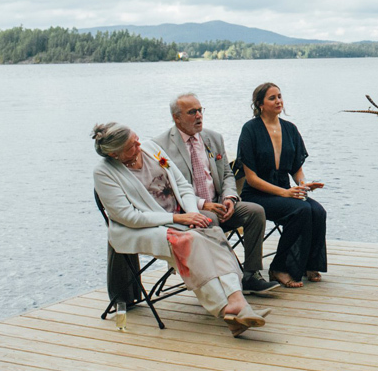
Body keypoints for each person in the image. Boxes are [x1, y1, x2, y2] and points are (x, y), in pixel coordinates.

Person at [92, 122, 267, 337]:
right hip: (141, 227)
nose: (139, 145)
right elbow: (129, 216)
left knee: (212, 232)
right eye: (131, 146)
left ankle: (236, 302)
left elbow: (182, 185)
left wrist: (193, 214)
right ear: (114, 154)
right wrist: (177, 218)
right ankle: (226, 307)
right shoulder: (105, 173)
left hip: (181, 216)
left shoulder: (153, 151)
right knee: (190, 242)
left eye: (136, 138)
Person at [153, 92, 276, 296]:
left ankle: (251, 274)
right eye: (192, 112)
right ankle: (227, 280)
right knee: (209, 220)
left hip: (220, 204)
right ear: (177, 117)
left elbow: (227, 173)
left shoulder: (213, 138)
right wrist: (202, 204)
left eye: (201, 110)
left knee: (255, 212)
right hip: (189, 212)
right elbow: (167, 188)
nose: (199, 116)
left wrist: (229, 197)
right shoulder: (160, 146)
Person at [237, 83, 327, 288]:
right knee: (301, 211)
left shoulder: (290, 128)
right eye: (272, 98)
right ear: (260, 104)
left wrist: (304, 185)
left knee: (318, 210)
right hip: (258, 195)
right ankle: (279, 267)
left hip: (285, 192)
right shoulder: (250, 129)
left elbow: (297, 168)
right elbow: (251, 179)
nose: (278, 101)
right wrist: (285, 193)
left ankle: (309, 264)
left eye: (279, 96)